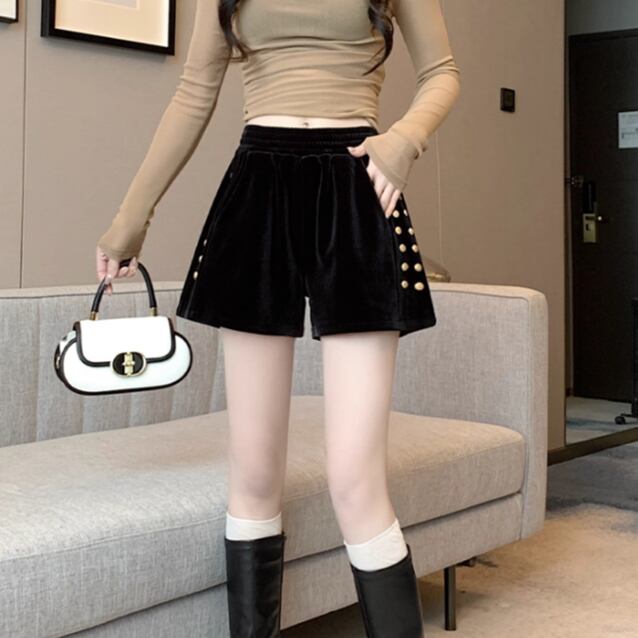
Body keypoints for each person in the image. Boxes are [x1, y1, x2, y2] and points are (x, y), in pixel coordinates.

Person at [96, 0, 460, 635]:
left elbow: (443, 73)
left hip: (357, 185)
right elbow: (194, 93)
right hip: (258, 192)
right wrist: (131, 220)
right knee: (255, 473)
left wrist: (404, 140)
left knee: (355, 480)